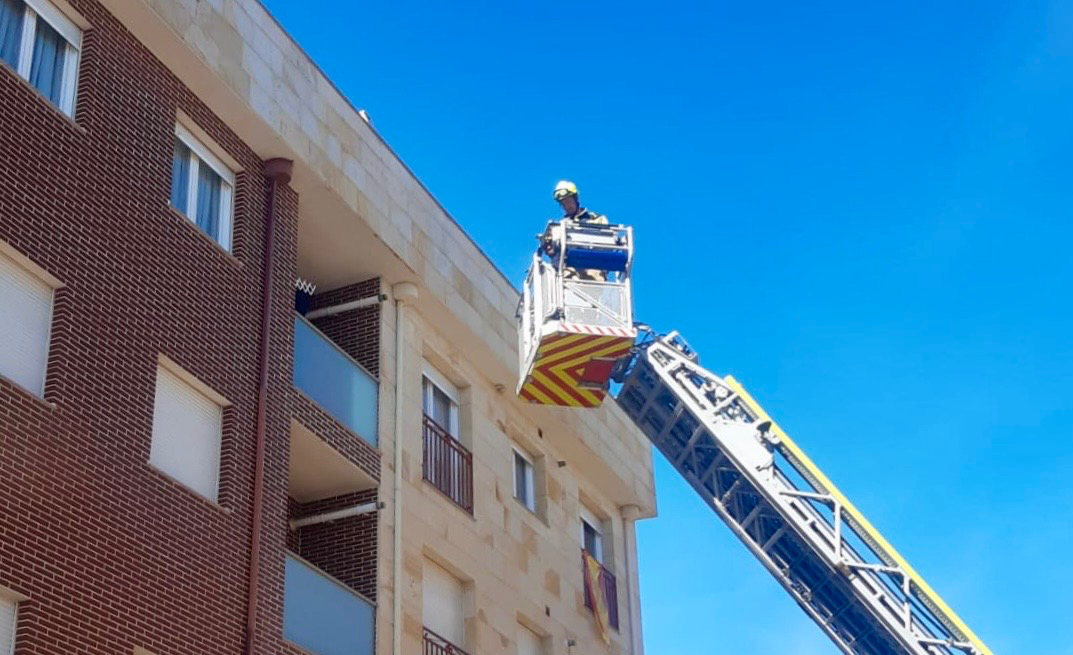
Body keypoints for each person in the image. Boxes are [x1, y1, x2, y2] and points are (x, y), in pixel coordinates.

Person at [548, 180, 609, 281]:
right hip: (569, 269)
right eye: (563, 204)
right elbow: (556, 253)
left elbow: (608, 242)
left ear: (575, 198)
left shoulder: (596, 219)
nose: (566, 206)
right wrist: (551, 249)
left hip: (593, 266)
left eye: (568, 201)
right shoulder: (559, 226)